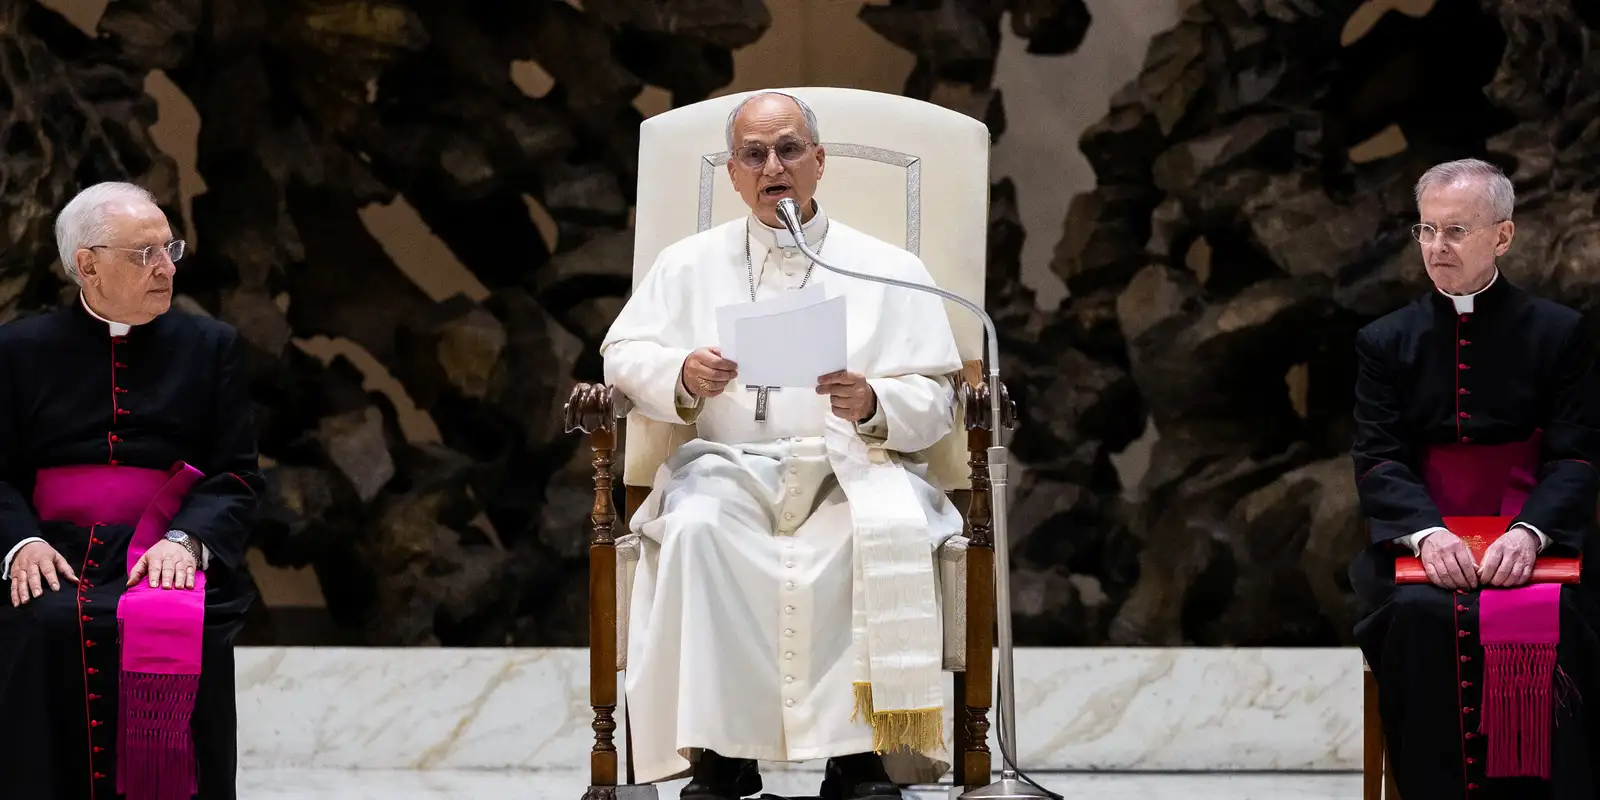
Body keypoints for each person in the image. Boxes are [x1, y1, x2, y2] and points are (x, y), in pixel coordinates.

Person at [599, 91, 965, 799]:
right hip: (726, 469)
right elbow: (622, 355)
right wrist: (682, 373)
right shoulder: (687, 264)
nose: (774, 167)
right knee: (698, 531)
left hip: (847, 468)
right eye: (755, 154)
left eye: (790, 150)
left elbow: (939, 397)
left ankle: (860, 758)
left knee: (864, 536)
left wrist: (873, 403)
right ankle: (719, 754)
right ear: (734, 174)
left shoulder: (883, 268)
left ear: (819, 162)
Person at [0, 182, 262, 799]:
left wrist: (187, 539)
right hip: (53, 547)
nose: (166, 267)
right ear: (87, 264)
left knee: (178, 620)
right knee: (44, 623)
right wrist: (21, 544)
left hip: (164, 549)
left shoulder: (211, 347)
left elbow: (237, 474)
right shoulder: (16, 350)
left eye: (170, 248)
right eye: (145, 254)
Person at [1350, 158, 1600, 799]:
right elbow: (1378, 458)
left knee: (1564, 616)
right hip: (1424, 542)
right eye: (1427, 230)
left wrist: (1531, 533)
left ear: (1502, 236)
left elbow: (1576, 455)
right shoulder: (1384, 341)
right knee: (1416, 617)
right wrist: (1427, 534)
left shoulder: (1560, 334)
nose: (1437, 246)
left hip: (1536, 534)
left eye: (1456, 231)